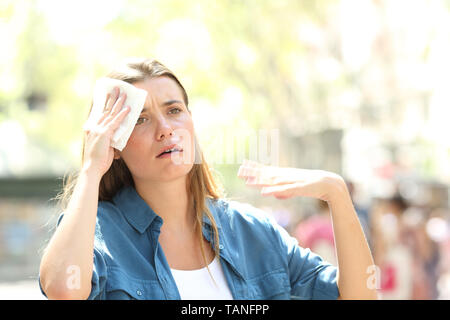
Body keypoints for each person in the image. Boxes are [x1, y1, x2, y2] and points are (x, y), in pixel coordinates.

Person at [38, 58, 377, 300]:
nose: (166, 129)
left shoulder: (251, 231)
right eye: (141, 120)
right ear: (116, 143)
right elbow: (64, 290)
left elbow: (361, 295)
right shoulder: (102, 235)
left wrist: (337, 194)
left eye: (174, 111)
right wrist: (91, 170)